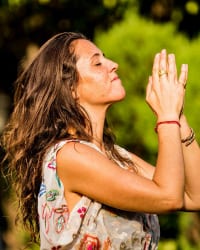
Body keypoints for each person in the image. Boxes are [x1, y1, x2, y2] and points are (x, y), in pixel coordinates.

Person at [1, 32, 200, 250]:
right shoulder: (70, 155)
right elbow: (168, 197)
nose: (113, 64)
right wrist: (167, 117)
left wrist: (179, 116)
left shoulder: (116, 156)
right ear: (70, 89)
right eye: (97, 63)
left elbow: (194, 196)